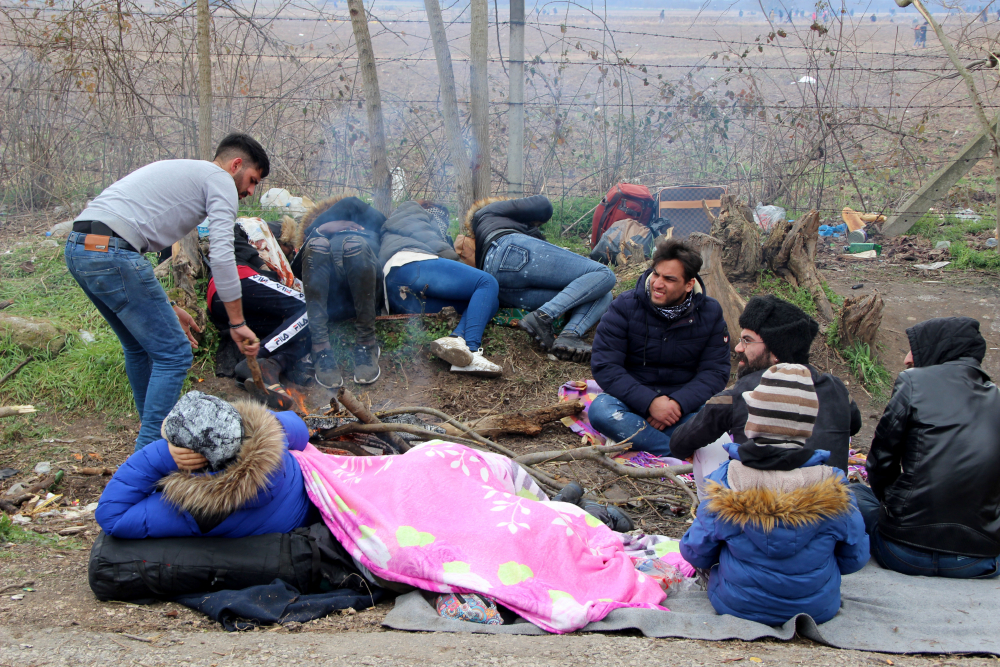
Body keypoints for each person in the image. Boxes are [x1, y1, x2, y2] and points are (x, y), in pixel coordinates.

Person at [66, 134, 269, 450]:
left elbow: (127, 240)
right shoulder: (220, 180)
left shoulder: (188, 172)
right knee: (174, 354)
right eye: (252, 180)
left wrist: (164, 307)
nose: (249, 191)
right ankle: (149, 453)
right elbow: (222, 253)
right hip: (113, 252)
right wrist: (236, 322)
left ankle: (149, 439)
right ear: (236, 165)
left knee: (138, 347)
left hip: (82, 247)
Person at [679, 364, 869, 626]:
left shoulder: (727, 478)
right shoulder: (833, 484)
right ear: (807, 426)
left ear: (754, 419)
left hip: (737, 605)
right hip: (818, 608)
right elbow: (855, 558)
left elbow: (695, 552)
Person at [853, 317, 1000, 579]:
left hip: (903, 551)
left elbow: (879, 461)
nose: (908, 358)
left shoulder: (913, 382)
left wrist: (890, 503)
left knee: (851, 492)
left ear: (938, 348)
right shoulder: (997, 399)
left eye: (915, 348)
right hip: (977, 560)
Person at [670, 295, 862, 473]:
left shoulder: (740, 394)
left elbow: (679, 443)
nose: (738, 348)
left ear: (777, 352)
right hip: (831, 500)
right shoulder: (838, 389)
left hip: (760, 503)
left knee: (714, 440)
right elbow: (854, 425)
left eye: (747, 341)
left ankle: (712, 508)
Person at [95, 391, 315, 539]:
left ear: (193, 457)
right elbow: (300, 429)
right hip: (300, 515)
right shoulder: (272, 440)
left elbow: (111, 517)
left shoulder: (198, 506)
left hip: (282, 535)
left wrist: (162, 454)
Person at [588, 238, 730, 457]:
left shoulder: (710, 313)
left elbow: (716, 371)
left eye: (669, 279)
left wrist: (678, 404)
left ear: (689, 284)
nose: (657, 284)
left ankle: (647, 439)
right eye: (656, 274)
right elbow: (605, 365)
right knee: (601, 411)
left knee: (721, 415)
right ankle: (677, 451)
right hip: (632, 400)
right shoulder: (624, 306)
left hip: (684, 406)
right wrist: (650, 402)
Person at [467, 195, 616, 362]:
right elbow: (542, 204)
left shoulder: (490, 230)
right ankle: (543, 316)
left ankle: (569, 335)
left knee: (601, 293)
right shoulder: (489, 211)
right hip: (509, 251)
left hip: (502, 286)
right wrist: (533, 221)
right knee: (604, 274)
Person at [379, 201, 503, 377]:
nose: (443, 224)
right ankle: (473, 350)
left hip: (400, 297)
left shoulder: (391, 227)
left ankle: (457, 342)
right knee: (486, 282)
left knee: (490, 301)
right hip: (410, 265)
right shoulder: (412, 210)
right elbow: (440, 248)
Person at [293, 196, 386, 387]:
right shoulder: (320, 237)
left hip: (365, 294)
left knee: (355, 246)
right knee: (316, 246)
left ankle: (367, 343)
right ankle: (320, 347)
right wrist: (322, 230)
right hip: (329, 299)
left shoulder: (376, 232)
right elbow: (297, 271)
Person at [207, 217, 311, 387]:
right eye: (288, 249)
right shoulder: (254, 227)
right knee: (313, 307)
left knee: (304, 327)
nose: (289, 253)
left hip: (221, 302)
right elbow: (227, 232)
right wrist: (259, 264)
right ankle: (256, 358)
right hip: (239, 278)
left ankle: (269, 366)